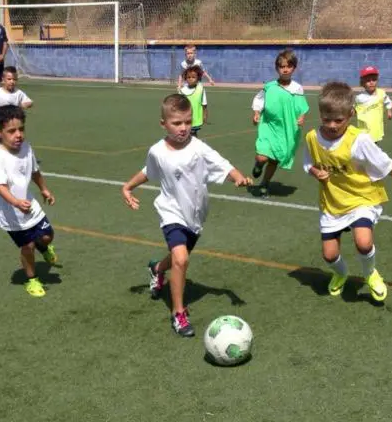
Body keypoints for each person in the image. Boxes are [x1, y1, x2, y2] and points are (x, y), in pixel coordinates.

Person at [121, 93, 252, 337]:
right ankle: (178, 313)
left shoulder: (199, 148)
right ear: (164, 124)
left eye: (188, 122)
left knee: (177, 258)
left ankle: (157, 269)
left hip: (196, 214)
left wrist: (238, 177)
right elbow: (148, 172)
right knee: (181, 259)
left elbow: (222, 164)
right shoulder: (157, 151)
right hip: (171, 211)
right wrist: (128, 187)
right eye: (177, 123)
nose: (184, 128)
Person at [303, 81, 392, 304]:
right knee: (329, 255)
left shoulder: (360, 140)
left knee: (363, 242)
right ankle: (341, 273)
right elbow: (308, 162)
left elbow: (388, 164)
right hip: (332, 203)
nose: (331, 125)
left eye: (338, 120)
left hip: (361, 198)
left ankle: (370, 274)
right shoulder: (312, 137)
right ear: (320, 113)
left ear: (351, 114)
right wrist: (314, 171)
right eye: (326, 119)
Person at [0, 105, 58, 298]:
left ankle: (44, 247)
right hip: (13, 215)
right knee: (27, 247)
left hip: (30, 206)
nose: (18, 135)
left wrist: (44, 188)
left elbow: (34, 171)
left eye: (21, 129)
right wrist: (16, 202)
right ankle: (32, 279)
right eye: (11, 131)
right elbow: (0, 187)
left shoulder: (26, 148)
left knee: (47, 236)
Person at [251, 48, 309, 197]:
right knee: (262, 156)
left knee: (275, 159)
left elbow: (301, 107)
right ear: (277, 68)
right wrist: (257, 112)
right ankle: (258, 164)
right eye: (282, 66)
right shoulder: (269, 86)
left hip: (286, 129)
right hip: (268, 126)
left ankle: (265, 183)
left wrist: (302, 117)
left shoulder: (297, 88)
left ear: (293, 68)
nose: (285, 70)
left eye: (288, 66)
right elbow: (259, 100)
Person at [355, 65, 392, 142]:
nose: (371, 82)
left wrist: (389, 110)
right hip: (364, 129)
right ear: (362, 83)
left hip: (376, 127)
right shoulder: (359, 97)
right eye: (368, 80)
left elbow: (387, 101)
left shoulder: (381, 93)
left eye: (374, 80)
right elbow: (353, 108)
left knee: (374, 143)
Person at [180, 66, 208, 136]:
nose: (191, 79)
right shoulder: (182, 90)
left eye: (193, 77)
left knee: (193, 135)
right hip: (184, 118)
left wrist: (204, 115)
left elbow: (204, 104)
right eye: (188, 77)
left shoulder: (200, 89)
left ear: (198, 78)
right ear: (186, 78)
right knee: (185, 135)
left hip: (195, 118)